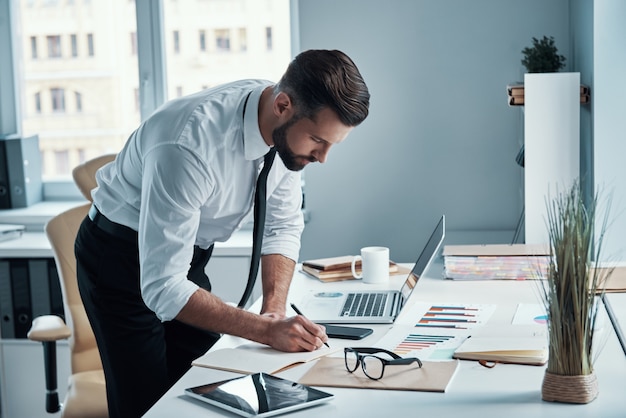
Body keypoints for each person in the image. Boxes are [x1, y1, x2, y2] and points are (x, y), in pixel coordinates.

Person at [75, 48, 370, 418]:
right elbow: (163, 286)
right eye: (317, 141)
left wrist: (274, 313)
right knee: (147, 404)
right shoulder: (188, 145)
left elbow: (282, 224)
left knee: (210, 385)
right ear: (282, 105)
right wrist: (264, 331)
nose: (322, 157)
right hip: (118, 258)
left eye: (331, 144)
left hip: (185, 252)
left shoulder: (285, 129)